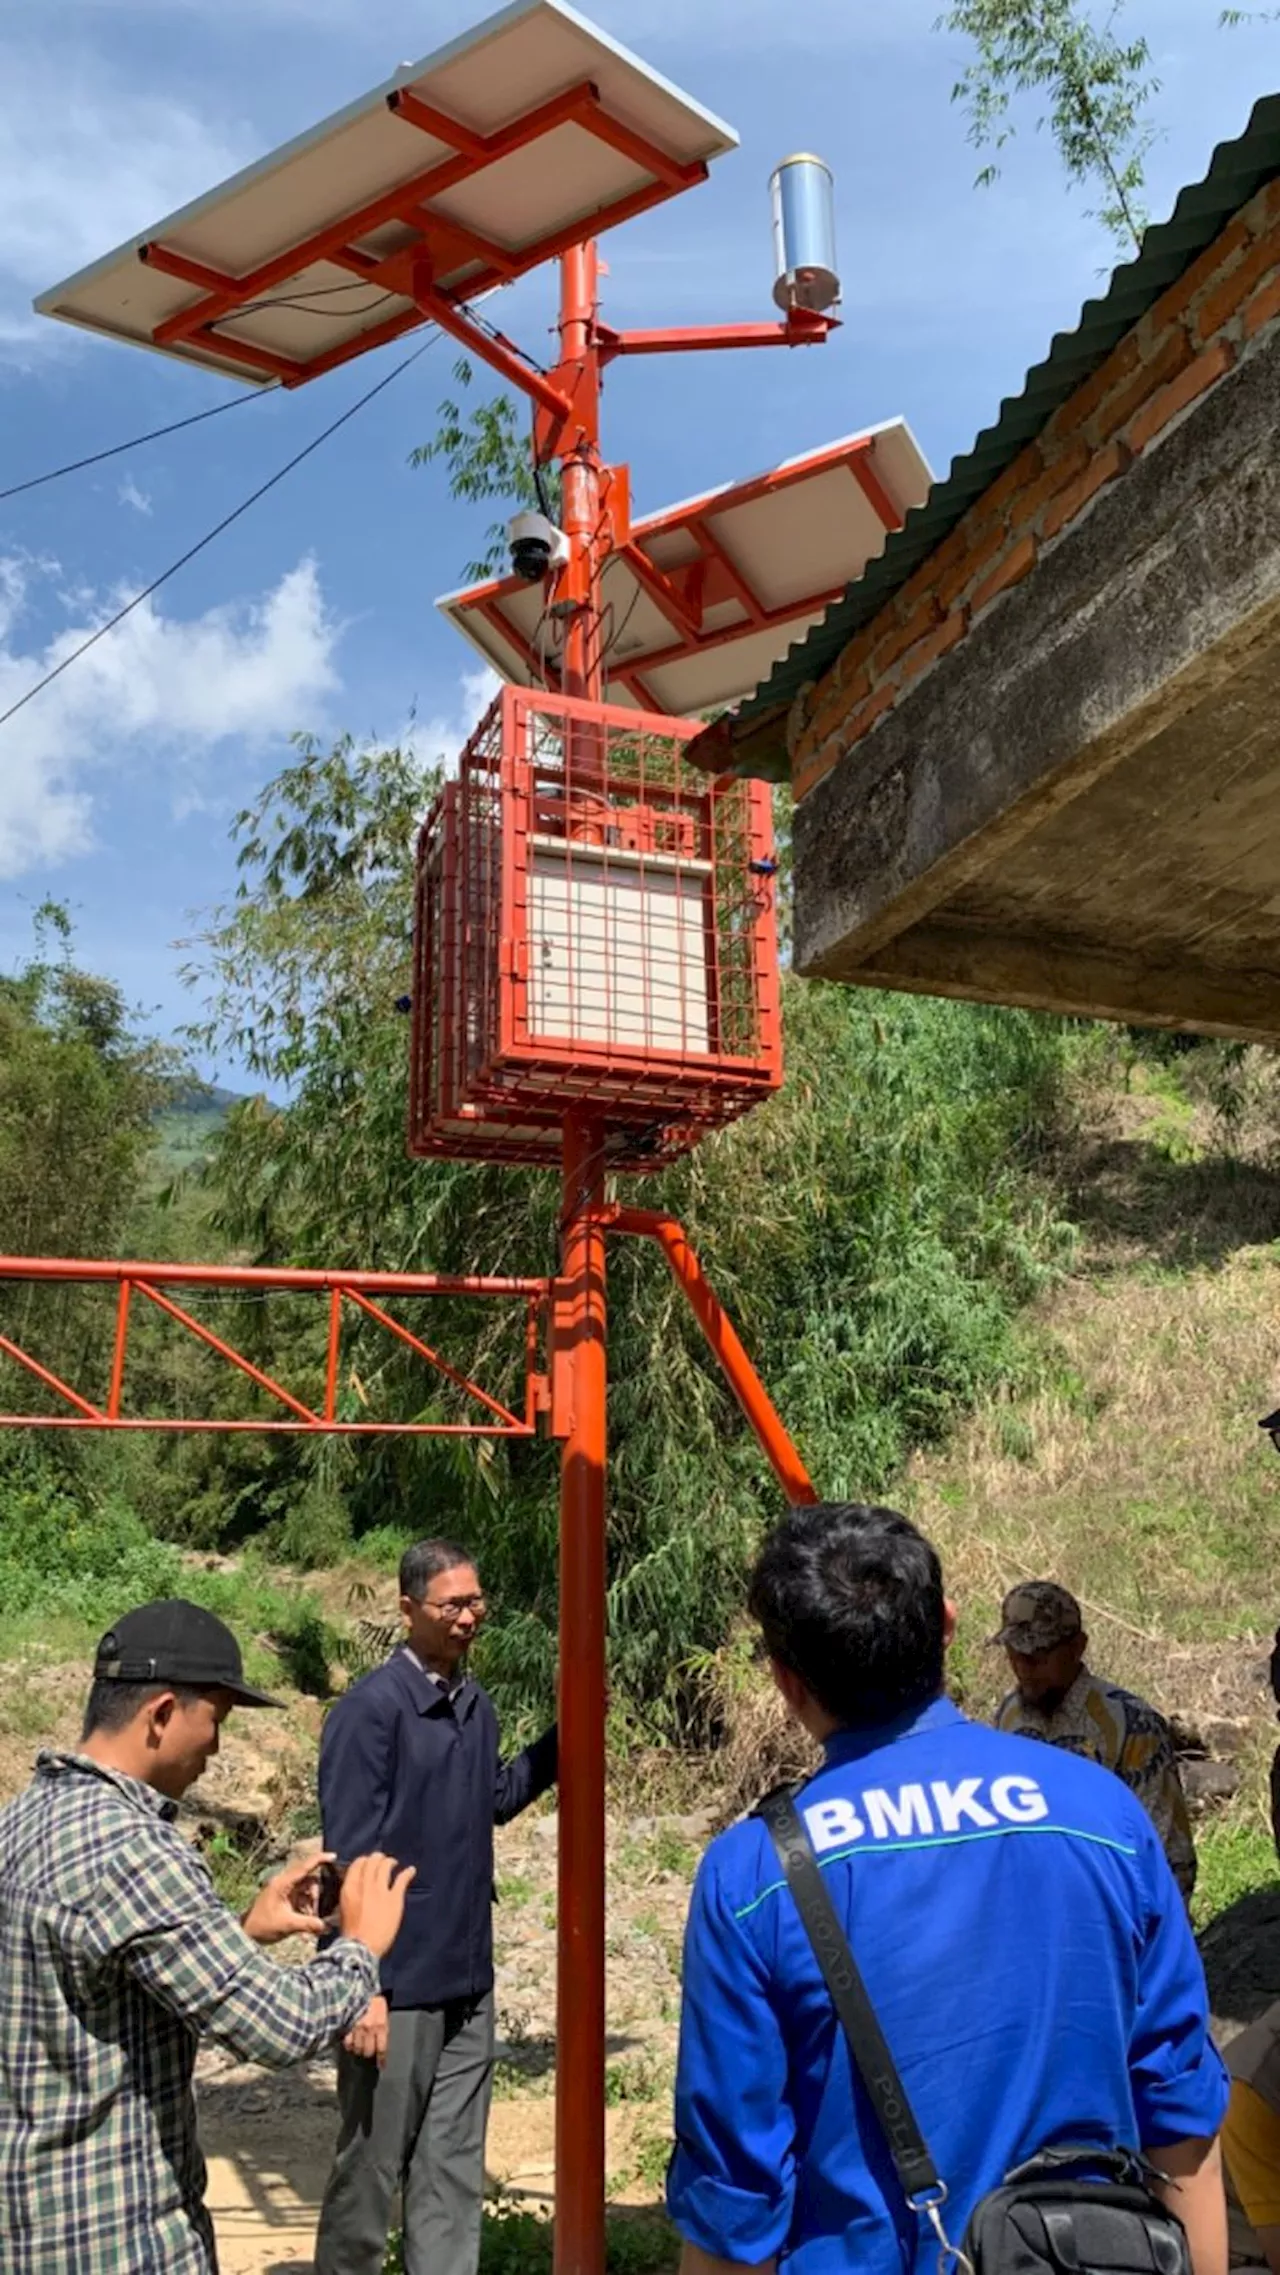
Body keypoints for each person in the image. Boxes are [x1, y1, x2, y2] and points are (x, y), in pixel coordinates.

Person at [668, 1503, 1229, 2275]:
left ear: (786, 1680)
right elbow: (1183, 2117)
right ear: (949, 1627)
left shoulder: (755, 1875)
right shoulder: (1104, 1816)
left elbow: (737, 2208)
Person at [0, 1597, 413, 2275]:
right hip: (120, 2238)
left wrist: (239, 1931)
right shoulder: (135, 1851)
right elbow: (279, 2028)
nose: (216, 1749)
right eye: (215, 1721)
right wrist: (360, 1945)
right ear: (162, 1713)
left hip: (35, 2228)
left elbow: (102, 1979)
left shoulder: (23, 1818)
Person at [314, 1537, 557, 2275]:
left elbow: (497, 1800)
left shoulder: (472, 1704)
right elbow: (349, 1856)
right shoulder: (372, 1710)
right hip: (397, 1980)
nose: (467, 1617)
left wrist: (562, 1737)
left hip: (466, 1974)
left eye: (476, 1601)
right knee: (371, 2164)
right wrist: (366, 1989)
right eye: (451, 1604)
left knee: (452, 2167)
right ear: (407, 1607)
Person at [990, 1579, 1197, 1900]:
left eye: (1037, 1656)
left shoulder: (1130, 1724)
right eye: (1013, 1654)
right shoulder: (1009, 1715)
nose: (1023, 1668)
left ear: (1077, 1648)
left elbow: (1169, 1852)